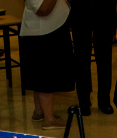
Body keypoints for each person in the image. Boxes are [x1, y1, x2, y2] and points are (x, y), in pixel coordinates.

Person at [19, 0, 75, 130]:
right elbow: (42, 9)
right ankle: (49, 119)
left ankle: (39, 111)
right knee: (45, 77)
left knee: (39, 76)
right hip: (42, 33)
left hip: (44, 30)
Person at [71, 0, 116, 115]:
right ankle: (84, 101)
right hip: (80, 10)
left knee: (105, 59)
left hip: (104, 10)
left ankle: (104, 100)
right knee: (81, 59)